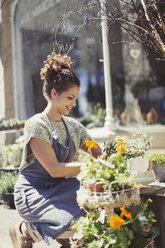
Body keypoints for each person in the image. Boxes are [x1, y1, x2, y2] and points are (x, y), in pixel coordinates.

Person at [9, 53, 102, 248]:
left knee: (94, 194)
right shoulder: (37, 125)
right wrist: (92, 165)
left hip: (59, 189)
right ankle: (24, 230)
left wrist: (119, 158)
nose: (74, 104)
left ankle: (67, 236)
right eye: (70, 98)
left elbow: (97, 153)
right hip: (34, 193)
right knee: (70, 213)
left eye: (76, 98)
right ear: (53, 93)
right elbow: (54, 169)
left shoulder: (75, 128)